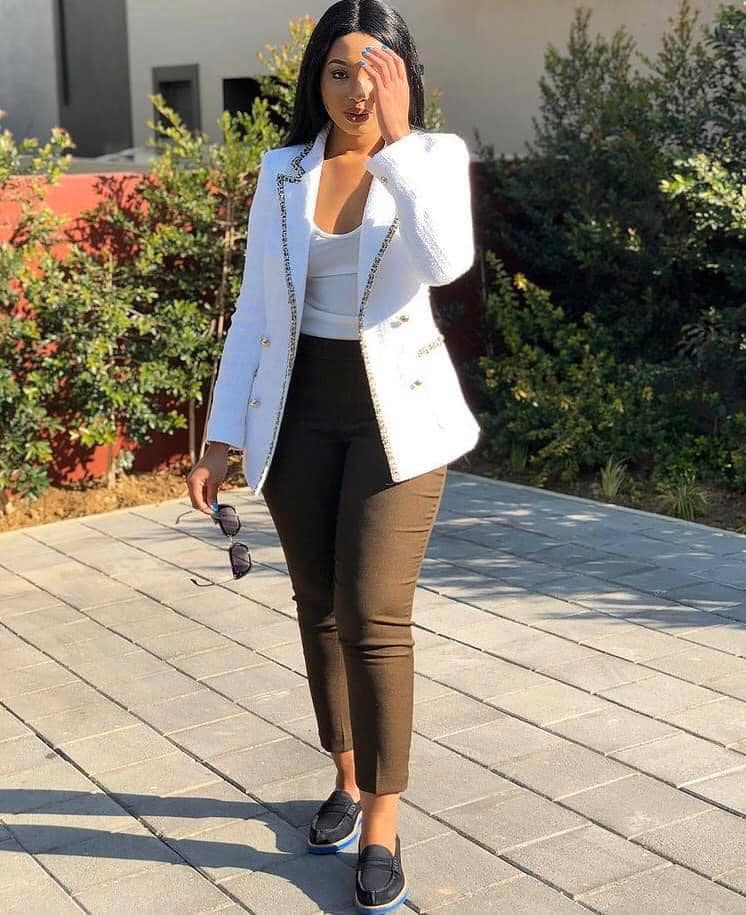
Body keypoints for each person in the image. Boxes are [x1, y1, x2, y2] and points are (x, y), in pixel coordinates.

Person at [187, 1, 480, 911]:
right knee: (317, 603)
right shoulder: (283, 171)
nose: (356, 89)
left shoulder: (432, 158)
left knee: (373, 613)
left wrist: (397, 140)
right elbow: (255, 311)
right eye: (339, 70)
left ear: (402, 73)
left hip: (398, 416)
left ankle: (383, 823)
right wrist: (221, 435)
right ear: (316, 78)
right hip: (297, 408)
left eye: (374, 69)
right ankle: (346, 778)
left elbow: (447, 262)